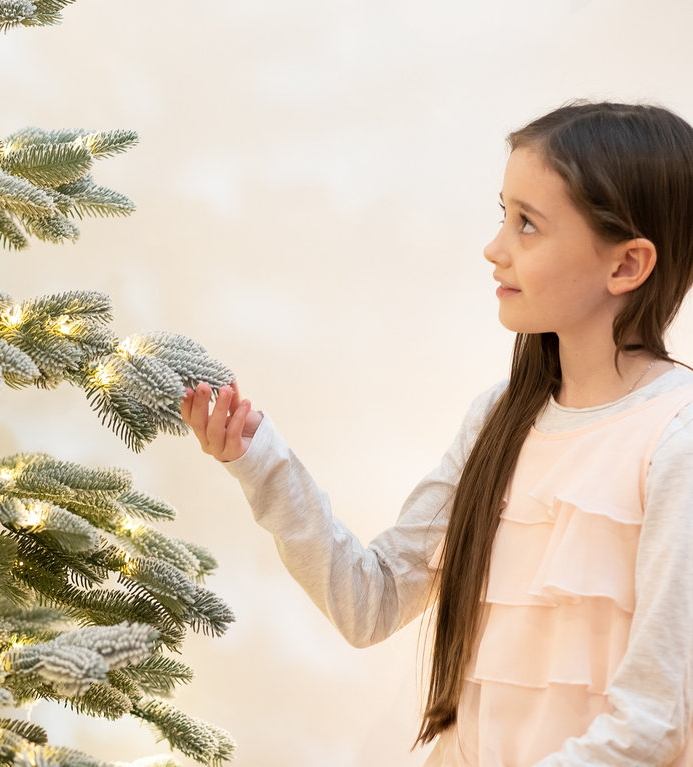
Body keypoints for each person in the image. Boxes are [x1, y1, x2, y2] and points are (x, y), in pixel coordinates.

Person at [179, 101, 693, 766]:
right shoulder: (497, 419)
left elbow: (653, 724)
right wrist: (257, 457)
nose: (495, 247)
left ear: (626, 265)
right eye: (503, 214)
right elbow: (371, 600)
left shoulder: (674, 441)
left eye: (528, 224)